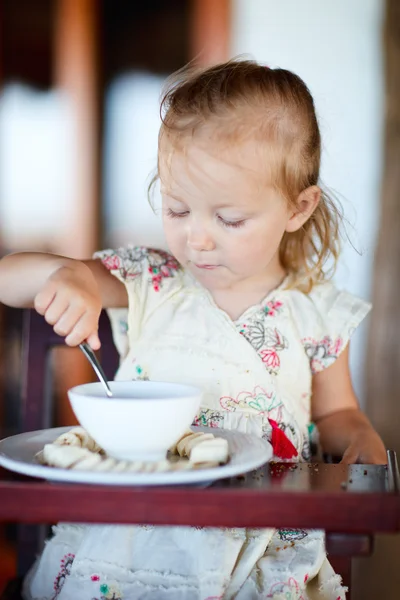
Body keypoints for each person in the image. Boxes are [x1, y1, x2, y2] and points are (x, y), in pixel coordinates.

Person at [0, 59, 386, 600]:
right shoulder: (154, 280)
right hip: (136, 531)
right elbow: (8, 279)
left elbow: (338, 413)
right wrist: (66, 276)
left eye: (228, 219)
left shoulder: (316, 311)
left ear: (298, 208)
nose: (197, 240)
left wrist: (362, 441)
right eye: (178, 209)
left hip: (262, 536)